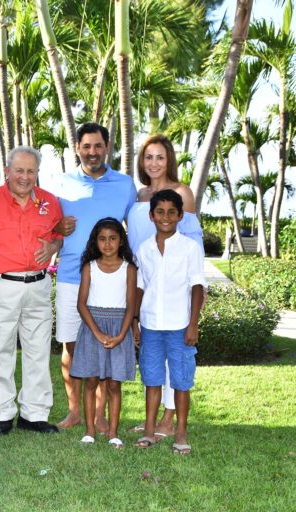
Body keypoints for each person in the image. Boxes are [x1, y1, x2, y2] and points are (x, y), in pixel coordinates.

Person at [0, 146, 63, 435]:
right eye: (19, 170)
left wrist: (53, 247)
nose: (24, 176)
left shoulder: (50, 202)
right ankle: (2, 413)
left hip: (38, 285)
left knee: (38, 350)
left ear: (37, 173)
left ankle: (34, 414)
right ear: (7, 171)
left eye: (31, 171)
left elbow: (58, 237)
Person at [54, 123, 137, 432]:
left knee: (105, 345)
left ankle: (99, 415)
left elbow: (134, 230)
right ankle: (75, 411)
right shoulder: (62, 183)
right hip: (70, 275)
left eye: (98, 146)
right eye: (86, 146)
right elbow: (50, 227)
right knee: (71, 344)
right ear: (78, 148)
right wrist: (57, 229)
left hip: (111, 277)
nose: (92, 152)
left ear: (107, 147)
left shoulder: (125, 185)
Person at [126, 134, 203, 438]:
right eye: (148, 157)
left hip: (176, 286)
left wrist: (197, 291)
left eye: (160, 157)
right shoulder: (141, 195)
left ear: (169, 159)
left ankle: (169, 419)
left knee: (176, 359)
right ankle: (152, 420)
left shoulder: (182, 192)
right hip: (145, 280)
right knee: (153, 360)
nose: (154, 163)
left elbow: (193, 239)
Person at [133, 189, 205, 455]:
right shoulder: (144, 249)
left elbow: (197, 286)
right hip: (151, 324)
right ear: (151, 216)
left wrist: (193, 323)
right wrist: (135, 320)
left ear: (180, 215)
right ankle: (149, 430)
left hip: (179, 325)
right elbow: (140, 286)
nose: (166, 217)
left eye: (171, 212)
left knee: (181, 381)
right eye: (160, 212)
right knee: (152, 379)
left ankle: (181, 432)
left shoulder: (190, 247)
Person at [69, 218, 137, 449]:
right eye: (102, 239)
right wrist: (97, 333)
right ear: (95, 241)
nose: (107, 244)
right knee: (91, 381)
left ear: (121, 241)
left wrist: (122, 335)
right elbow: (81, 304)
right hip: (92, 328)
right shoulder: (89, 267)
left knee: (114, 384)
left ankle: (113, 433)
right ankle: (89, 431)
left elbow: (131, 306)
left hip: (119, 329)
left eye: (113, 238)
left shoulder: (129, 269)